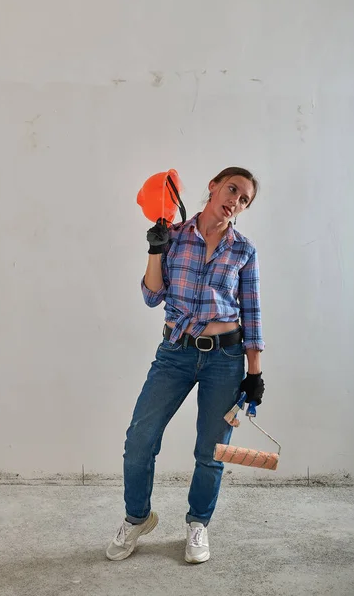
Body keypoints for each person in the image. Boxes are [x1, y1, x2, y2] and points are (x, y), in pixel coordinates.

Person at [106, 167, 265, 564]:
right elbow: (151, 296)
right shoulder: (174, 236)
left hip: (225, 359)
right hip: (175, 353)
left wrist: (255, 372)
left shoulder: (243, 249)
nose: (235, 201)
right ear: (212, 186)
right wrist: (155, 249)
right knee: (139, 440)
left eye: (244, 199)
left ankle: (198, 524)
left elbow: (253, 311)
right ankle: (137, 518)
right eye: (232, 189)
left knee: (211, 452)